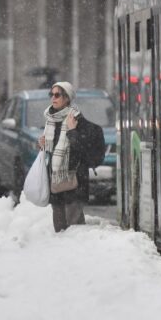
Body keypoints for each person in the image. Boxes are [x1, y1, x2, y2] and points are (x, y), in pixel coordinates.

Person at [37, 81, 101, 232]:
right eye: (51, 94)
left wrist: (73, 132)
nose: (53, 98)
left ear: (67, 98)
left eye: (57, 94)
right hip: (56, 184)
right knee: (59, 229)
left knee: (75, 229)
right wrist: (42, 144)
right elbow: (51, 153)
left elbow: (85, 152)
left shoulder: (79, 122)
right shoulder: (51, 121)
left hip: (74, 183)